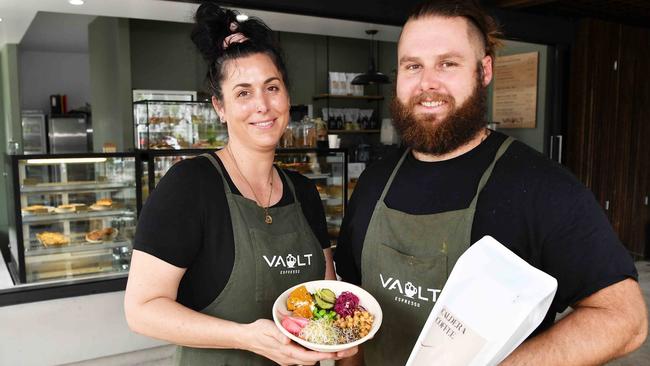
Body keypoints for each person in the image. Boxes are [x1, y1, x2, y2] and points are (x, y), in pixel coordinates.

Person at [333, 1, 647, 365]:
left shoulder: (541, 187)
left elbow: (624, 318)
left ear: (484, 71)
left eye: (448, 64)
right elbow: (351, 296)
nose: (427, 83)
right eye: (413, 66)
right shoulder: (375, 179)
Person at [124, 3, 356, 365]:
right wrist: (246, 337)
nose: (262, 105)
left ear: (287, 96)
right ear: (220, 106)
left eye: (272, 87)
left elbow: (322, 294)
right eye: (243, 93)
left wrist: (341, 337)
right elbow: (142, 310)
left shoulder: (304, 193)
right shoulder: (191, 185)